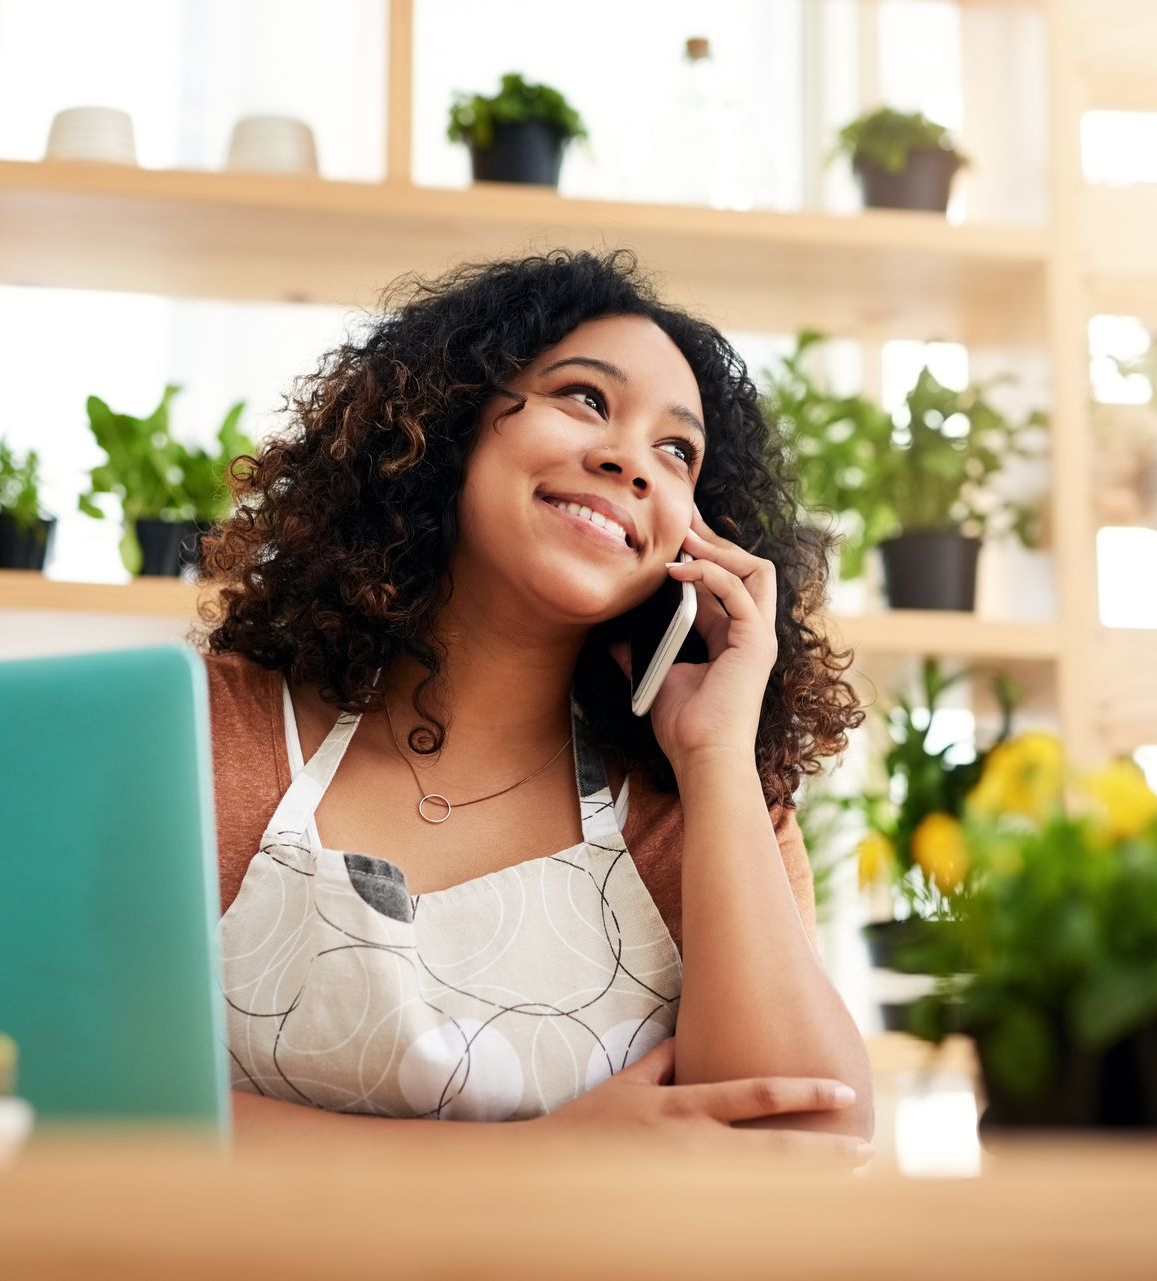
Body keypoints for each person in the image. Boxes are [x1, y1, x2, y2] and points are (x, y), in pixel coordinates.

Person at [197, 249, 872, 1161]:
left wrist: (715, 756)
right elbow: (80, 1104)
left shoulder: (703, 814)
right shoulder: (210, 735)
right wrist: (534, 1164)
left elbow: (809, 1148)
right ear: (446, 422)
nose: (630, 459)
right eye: (586, 398)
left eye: (678, 452)